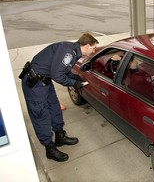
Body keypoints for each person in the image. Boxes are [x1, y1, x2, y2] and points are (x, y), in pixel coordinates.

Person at [19, 33, 99, 162]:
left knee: (54, 108)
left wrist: (74, 77)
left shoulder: (73, 51)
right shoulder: (68, 52)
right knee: (41, 115)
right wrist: (74, 83)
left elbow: (62, 70)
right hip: (34, 84)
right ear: (87, 45)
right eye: (93, 48)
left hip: (45, 81)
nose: (94, 51)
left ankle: (60, 136)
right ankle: (49, 148)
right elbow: (57, 75)